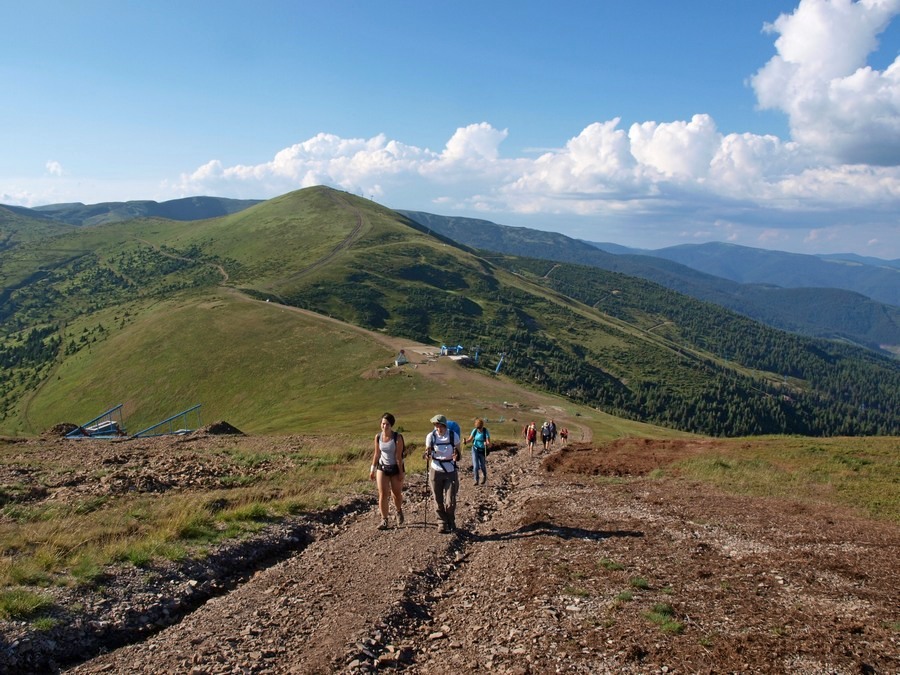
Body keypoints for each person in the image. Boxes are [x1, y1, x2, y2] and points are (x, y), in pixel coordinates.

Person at [369, 412, 405, 530]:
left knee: (396, 494)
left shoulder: (397, 438)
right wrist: (372, 469)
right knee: (383, 494)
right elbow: (377, 454)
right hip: (382, 467)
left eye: (387, 424)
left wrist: (400, 472)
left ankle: (399, 511)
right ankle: (384, 520)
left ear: (391, 425)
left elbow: (399, 457)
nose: (385, 426)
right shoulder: (378, 437)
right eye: (383, 424)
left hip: (395, 467)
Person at [425, 414, 460, 533]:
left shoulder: (453, 436)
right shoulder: (431, 436)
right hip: (436, 470)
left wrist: (457, 456)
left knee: (450, 500)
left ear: (445, 425)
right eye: (436, 425)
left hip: (450, 470)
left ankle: (450, 520)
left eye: (440, 426)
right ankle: (441, 522)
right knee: (438, 499)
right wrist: (427, 454)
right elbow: (427, 451)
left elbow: (459, 452)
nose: (438, 428)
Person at [464, 418, 491, 485]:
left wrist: (487, 443)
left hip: (482, 450)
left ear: (482, 426)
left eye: (480, 428)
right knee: (475, 466)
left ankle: (484, 476)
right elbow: (470, 440)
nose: (479, 429)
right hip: (475, 449)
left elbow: (488, 441)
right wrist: (465, 442)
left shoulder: (485, 431)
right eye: (477, 428)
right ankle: (476, 480)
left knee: (482, 465)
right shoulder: (475, 431)